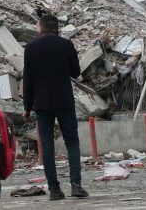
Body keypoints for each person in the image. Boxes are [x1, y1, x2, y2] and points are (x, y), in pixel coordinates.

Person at [22, 14, 89, 200]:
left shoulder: (30, 48)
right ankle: (76, 185)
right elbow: (76, 72)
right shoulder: (66, 45)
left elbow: (28, 81)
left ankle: (54, 189)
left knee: (47, 145)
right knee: (72, 142)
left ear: (41, 28)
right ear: (57, 28)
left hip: (42, 103)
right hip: (64, 101)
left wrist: (27, 107)